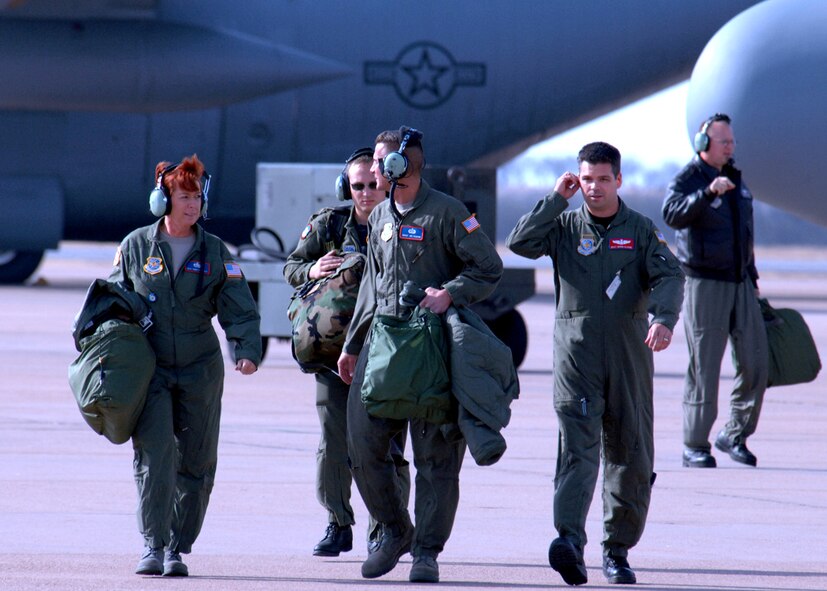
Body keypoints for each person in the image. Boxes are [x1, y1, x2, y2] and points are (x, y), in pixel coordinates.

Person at [506, 142, 684, 586]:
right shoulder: (563, 226)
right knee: (577, 452)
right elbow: (519, 242)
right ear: (577, 179)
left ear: (618, 180)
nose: (595, 187)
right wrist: (554, 199)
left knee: (630, 454)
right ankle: (569, 542)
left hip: (629, 357)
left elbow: (670, 275)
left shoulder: (640, 230)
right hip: (577, 358)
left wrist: (663, 319)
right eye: (587, 179)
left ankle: (616, 550)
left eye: (604, 179)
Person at [337, 127, 503, 583]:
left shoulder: (449, 213)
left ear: (404, 165)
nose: (373, 170)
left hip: (432, 351)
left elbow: (489, 267)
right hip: (384, 348)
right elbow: (372, 283)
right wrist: (353, 344)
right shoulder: (380, 217)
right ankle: (394, 529)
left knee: (436, 457)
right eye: (373, 161)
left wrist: (449, 293)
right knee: (362, 443)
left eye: (381, 161)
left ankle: (427, 552)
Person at [109, 154, 262, 577]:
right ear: (164, 199)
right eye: (183, 196)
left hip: (200, 369)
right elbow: (113, 303)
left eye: (196, 197)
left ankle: (177, 546)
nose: (192, 205)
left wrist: (245, 348)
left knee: (196, 462)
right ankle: (152, 545)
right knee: (155, 456)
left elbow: (239, 307)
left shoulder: (215, 251)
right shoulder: (136, 246)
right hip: (150, 369)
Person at [283, 147, 410, 557]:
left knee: (386, 445)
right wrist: (313, 269)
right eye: (358, 186)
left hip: (388, 353)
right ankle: (338, 523)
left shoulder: (403, 223)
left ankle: (385, 527)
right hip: (332, 353)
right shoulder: (330, 224)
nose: (367, 193)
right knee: (334, 441)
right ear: (346, 187)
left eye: (374, 185)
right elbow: (292, 267)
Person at [662, 113, 768, 469]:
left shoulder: (736, 179)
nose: (730, 148)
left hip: (740, 282)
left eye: (732, 142)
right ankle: (695, 444)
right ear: (703, 145)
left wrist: (751, 279)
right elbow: (671, 213)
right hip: (704, 284)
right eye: (724, 142)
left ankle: (734, 434)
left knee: (756, 362)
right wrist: (707, 194)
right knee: (704, 368)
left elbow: (744, 234)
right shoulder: (689, 179)